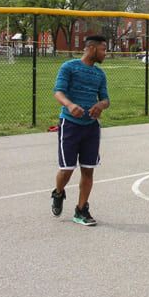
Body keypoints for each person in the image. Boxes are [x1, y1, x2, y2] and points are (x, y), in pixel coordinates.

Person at [51, 34, 110, 226]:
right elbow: (58, 91)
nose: (105, 53)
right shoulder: (69, 67)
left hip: (91, 127)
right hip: (70, 125)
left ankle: (81, 209)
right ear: (91, 49)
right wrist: (69, 105)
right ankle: (58, 192)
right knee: (67, 169)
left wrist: (100, 105)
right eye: (103, 49)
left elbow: (106, 99)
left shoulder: (100, 74)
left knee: (88, 170)